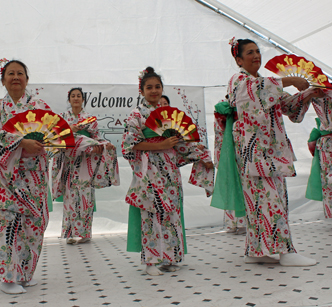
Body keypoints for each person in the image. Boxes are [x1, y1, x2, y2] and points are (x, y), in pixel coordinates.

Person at [227, 38, 323, 266]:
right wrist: (290, 80)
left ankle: (255, 250)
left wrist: (308, 93)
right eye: (250, 52)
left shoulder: (262, 81)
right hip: (255, 151)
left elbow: (288, 107)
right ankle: (285, 252)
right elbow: (260, 91)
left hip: (269, 149)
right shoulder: (240, 81)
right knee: (270, 200)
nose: (256, 55)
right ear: (239, 59)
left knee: (265, 200)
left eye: (258, 51)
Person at [122, 67, 214, 276]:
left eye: (157, 87)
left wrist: (201, 157)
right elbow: (130, 145)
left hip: (170, 171)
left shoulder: (169, 115)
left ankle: (170, 256)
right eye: (149, 87)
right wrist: (161, 145)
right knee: (152, 213)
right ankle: (151, 262)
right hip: (149, 170)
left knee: (171, 212)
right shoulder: (136, 114)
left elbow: (181, 143)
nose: (154, 91)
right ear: (141, 90)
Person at [0, 59, 50, 294]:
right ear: (3, 80)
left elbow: (53, 134)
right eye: (10, 73)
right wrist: (22, 143)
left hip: (34, 177)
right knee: (9, 226)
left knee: (34, 226)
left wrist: (41, 145)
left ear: (27, 79)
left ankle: (25, 273)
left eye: (20, 73)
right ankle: (9, 277)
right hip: (7, 178)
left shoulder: (40, 105)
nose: (15, 77)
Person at [52, 87, 119, 245]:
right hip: (70, 161)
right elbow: (56, 138)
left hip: (86, 161)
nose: (76, 98)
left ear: (83, 100)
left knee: (86, 196)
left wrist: (98, 147)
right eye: (73, 96)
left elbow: (96, 137)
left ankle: (85, 233)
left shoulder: (90, 119)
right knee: (70, 197)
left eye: (79, 96)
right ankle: (70, 233)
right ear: (69, 100)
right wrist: (69, 131)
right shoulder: (63, 118)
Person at [212, 98, 246, 234]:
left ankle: (240, 223)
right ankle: (234, 222)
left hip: (238, 150)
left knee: (241, 186)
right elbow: (218, 132)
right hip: (231, 149)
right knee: (233, 185)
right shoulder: (223, 106)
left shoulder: (245, 101)